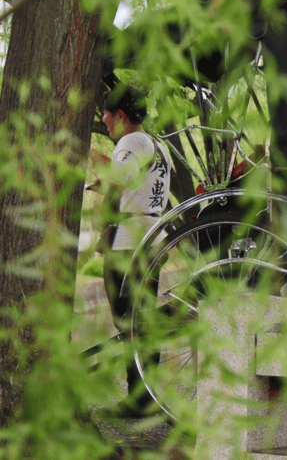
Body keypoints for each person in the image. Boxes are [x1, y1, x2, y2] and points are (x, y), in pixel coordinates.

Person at [90, 86, 171, 416]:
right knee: (141, 320)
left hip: (129, 244)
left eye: (107, 114)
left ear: (121, 116)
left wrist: (95, 160)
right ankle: (145, 397)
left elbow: (123, 175)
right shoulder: (157, 145)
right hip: (151, 239)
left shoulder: (131, 141)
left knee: (129, 321)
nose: (105, 120)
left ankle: (139, 401)